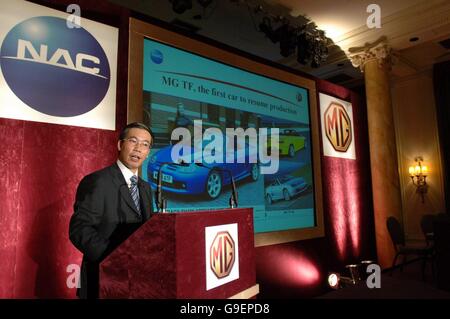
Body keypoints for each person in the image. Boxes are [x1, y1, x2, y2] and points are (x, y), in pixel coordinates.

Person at [69, 122, 155, 299]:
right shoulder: (97, 181)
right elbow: (79, 229)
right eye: (133, 141)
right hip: (103, 280)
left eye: (145, 145)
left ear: (148, 153)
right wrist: (115, 259)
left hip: (137, 282)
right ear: (120, 144)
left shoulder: (146, 188)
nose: (138, 148)